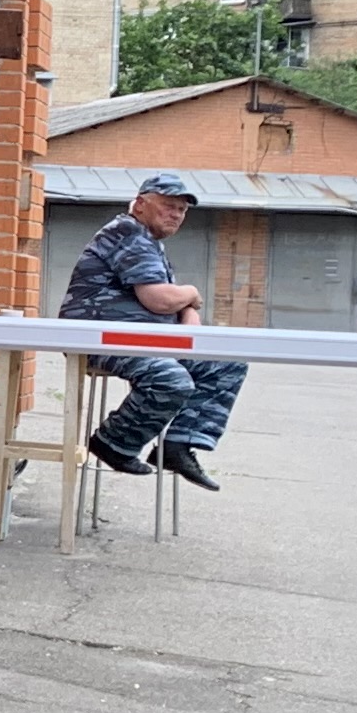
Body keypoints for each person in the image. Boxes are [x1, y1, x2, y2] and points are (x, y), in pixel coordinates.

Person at [64, 172, 242, 489]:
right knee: (171, 379)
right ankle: (113, 442)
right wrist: (191, 293)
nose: (176, 214)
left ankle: (178, 445)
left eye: (182, 210)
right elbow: (159, 299)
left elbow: (183, 314)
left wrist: (186, 305)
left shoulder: (149, 243)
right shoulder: (128, 233)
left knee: (226, 362)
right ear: (141, 204)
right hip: (101, 337)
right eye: (168, 206)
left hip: (141, 339)